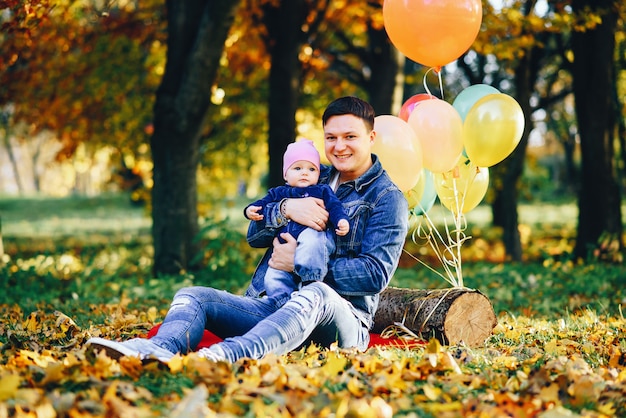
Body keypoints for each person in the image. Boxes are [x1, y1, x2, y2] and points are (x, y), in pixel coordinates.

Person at [86, 96, 409, 363]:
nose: (339, 146)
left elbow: (374, 275)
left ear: (370, 138)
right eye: (331, 137)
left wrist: (299, 262)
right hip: (275, 304)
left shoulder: (386, 197)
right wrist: (285, 209)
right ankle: (157, 349)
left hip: (340, 319)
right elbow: (254, 236)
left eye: (350, 137)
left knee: (316, 293)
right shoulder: (312, 175)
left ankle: (227, 356)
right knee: (192, 296)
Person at [245, 139, 349, 305]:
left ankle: (310, 284)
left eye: (311, 169)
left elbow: (335, 207)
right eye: (298, 168)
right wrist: (250, 210)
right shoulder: (279, 192)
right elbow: (262, 204)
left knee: (311, 242)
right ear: (286, 174)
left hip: (314, 235)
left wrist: (341, 220)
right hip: (284, 247)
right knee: (273, 275)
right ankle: (279, 301)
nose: (305, 173)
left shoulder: (322, 190)